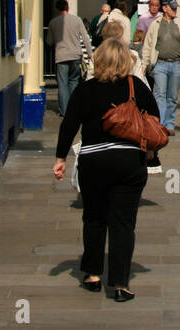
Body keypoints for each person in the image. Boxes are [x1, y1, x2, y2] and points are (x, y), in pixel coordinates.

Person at [52, 37, 158, 302]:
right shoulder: (137, 88)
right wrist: (152, 153)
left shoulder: (85, 90)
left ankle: (92, 274)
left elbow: (69, 125)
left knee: (94, 218)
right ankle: (121, 284)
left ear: (98, 61)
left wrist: (60, 158)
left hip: (94, 162)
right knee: (123, 223)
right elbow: (155, 121)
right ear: (126, 61)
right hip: (128, 162)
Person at [140, 0, 180, 135]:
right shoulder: (155, 25)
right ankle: (160, 125)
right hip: (160, 64)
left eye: (176, 7)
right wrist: (144, 63)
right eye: (172, 8)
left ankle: (169, 123)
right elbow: (148, 45)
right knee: (160, 95)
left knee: (172, 96)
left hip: (176, 63)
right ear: (164, 8)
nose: (175, 10)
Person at [46, 0, 93, 116]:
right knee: (74, 81)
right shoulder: (77, 20)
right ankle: (75, 109)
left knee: (62, 84)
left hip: (61, 56)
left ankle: (64, 111)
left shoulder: (53, 22)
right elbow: (85, 38)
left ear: (57, 9)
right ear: (68, 7)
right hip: (76, 55)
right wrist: (90, 54)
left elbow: (49, 41)